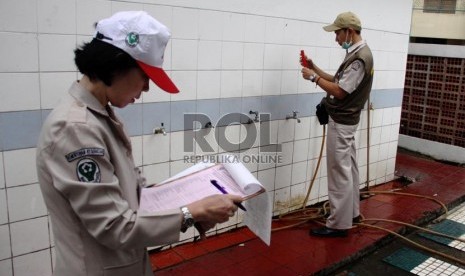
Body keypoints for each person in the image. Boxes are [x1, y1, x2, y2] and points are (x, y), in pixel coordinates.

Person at [36, 11, 243, 275]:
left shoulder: (101, 116)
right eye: (145, 76)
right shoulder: (75, 129)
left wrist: (196, 210)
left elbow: (132, 198)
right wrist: (189, 213)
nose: (146, 88)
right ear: (116, 64)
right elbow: (113, 226)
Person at [300, 11, 374, 237]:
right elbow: (337, 80)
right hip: (347, 122)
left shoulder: (359, 58)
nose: (336, 39)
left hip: (342, 123)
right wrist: (315, 68)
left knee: (338, 173)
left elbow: (340, 92)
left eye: (338, 34)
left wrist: (313, 78)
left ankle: (338, 225)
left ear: (349, 32)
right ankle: (349, 214)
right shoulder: (358, 54)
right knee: (348, 169)